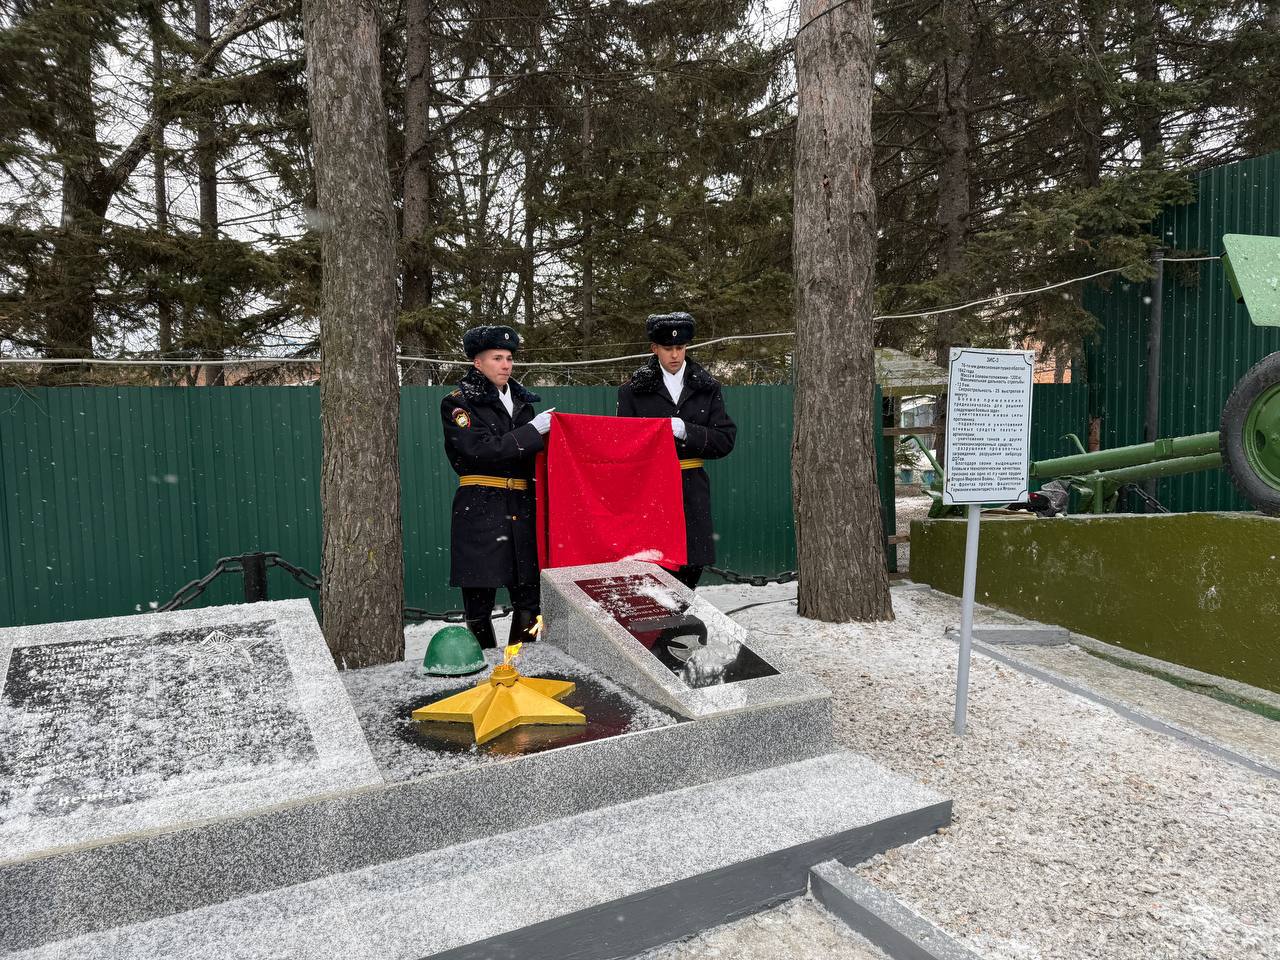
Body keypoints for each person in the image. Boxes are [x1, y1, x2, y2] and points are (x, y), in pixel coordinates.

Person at [441, 325, 554, 649]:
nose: (506, 365)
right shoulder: (458, 403)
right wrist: (532, 432)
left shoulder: (522, 403)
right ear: (477, 362)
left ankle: (521, 663)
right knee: (479, 602)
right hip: (480, 507)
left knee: (530, 599)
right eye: (497, 358)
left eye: (509, 358)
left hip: (522, 507)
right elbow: (479, 449)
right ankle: (486, 669)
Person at [616, 312, 736, 589]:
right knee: (653, 567)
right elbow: (624, 445)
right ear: (654, 348)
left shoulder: (706, 388)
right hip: (651, 491)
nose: (674, 355)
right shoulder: (632, 391)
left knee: (691, 565)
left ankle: (680, 616)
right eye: (667, 348)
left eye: (680, 347)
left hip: (692, 488)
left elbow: (724, 440)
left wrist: (685, 430)